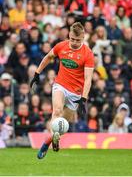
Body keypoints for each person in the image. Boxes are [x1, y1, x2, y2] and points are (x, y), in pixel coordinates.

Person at [30, 22, 94, 159]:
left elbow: (88, 79)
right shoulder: (61, 46)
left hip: (76, 92)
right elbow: (48, 57)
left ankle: (48, 142)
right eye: (72, 39)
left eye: (78, 40)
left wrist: (84, 98)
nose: (75, 42)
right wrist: (37, 73)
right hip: (60, 85)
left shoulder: (88, 54)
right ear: (69, 35)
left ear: (83, 37)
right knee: (57, 111)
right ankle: (51, 140)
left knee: (62, 126)